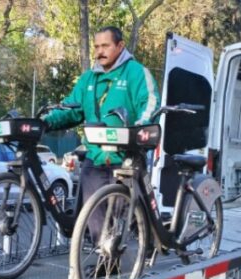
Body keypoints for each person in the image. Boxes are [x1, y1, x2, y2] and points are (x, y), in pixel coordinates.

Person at [43, 26, 160, 243]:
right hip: (95, 157)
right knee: (95, 218)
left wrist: (141, 126)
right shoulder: (88, 79)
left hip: (125, 157)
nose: (99, 51)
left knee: (128, 216)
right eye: (96, 46)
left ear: (120, 46)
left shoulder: (136, 72)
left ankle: (147, 245)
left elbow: (150, 104)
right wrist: (44, 122)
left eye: (105, 45)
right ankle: (107, 262)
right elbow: (71, 108)